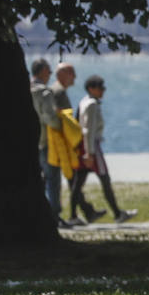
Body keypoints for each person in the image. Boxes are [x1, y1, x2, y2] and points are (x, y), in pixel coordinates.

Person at [73, 76, 137, 224]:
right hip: (92, 146)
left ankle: (73, 215)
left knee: (79, 182)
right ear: (91, 89)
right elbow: (88, 130)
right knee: (104, 179)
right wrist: (89, 153)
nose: (103, 91)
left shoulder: (84, 102)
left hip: (84, 146)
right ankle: (117, 213)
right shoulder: (92, 105)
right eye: (101, 88)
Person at [52, 63, 105, 226]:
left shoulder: (59, 92)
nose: (74, 77)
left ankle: (85, 212)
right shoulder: (58, 92)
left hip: (66, 142)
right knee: (70, 179)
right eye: (71, 73)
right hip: (64, 143)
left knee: (73, 179)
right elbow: (62, 119)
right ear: (61, 74)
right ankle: (70, 214)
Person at [29, 58, 69, 226]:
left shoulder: (24, 90)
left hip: (29, 142)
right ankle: (54, 215)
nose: (51, 74)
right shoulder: (44, 92)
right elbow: (50, 117)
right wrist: (63, 126)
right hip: (46, 141)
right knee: (52, 178)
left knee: (36, 180)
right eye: (49, 71)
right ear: (43, 71)